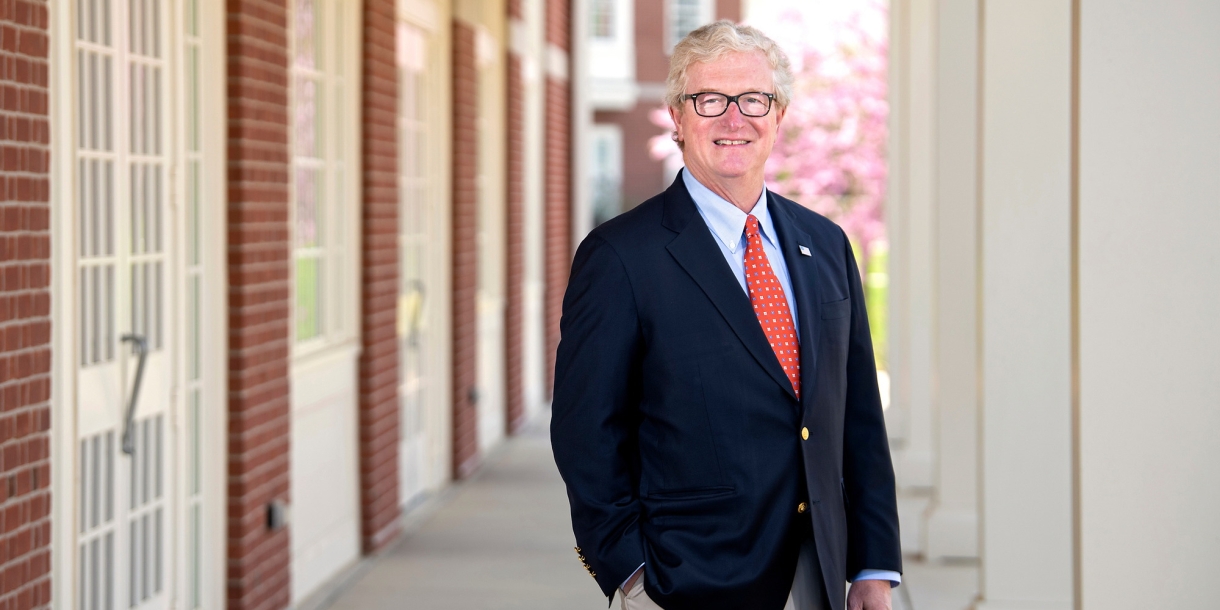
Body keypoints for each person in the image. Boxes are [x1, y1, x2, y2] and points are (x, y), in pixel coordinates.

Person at [550, 20, 901, 610]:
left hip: (822, 572)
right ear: (677, 118)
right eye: (709, 100)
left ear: (779, 115)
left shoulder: (827, 245)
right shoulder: (619, 257)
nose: (734, 118)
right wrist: (629, 571)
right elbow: (585, 431)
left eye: (753, 100)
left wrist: (873, 563)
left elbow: (857, 415)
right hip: (687, 580)